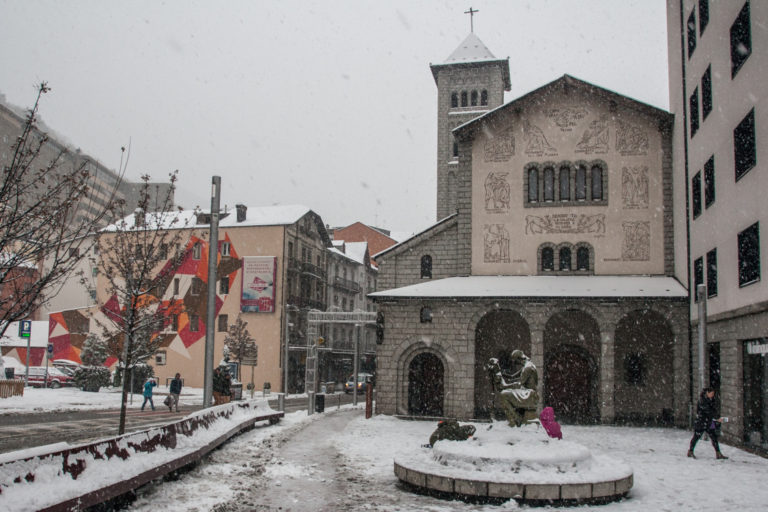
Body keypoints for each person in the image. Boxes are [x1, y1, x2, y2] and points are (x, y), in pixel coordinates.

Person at [487, 351, 540, 427]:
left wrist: (504, 386)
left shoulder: (528, 367)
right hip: (528, 392)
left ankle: (515, 419)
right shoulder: (527, 365)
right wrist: (500, 373)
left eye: (516, 362)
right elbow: (512, 377)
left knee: (504, 395)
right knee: (507, 392)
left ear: (519, 359)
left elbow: (519, 384)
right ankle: (516, 417)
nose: (516, 364)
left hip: (529, 394)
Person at [688, 387, 728, 459]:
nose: (712, 395)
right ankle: (690, 451)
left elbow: (713, 410)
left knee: (714, 437)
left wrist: (717, 417)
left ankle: (718, 453)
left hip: (710, 421)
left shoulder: (711, 400)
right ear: (707, 393)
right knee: (696, 437)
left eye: (713, 394)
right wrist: (716, 418)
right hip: (702, 421)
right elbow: (707, 411)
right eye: (711, 393)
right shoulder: (702, 400)